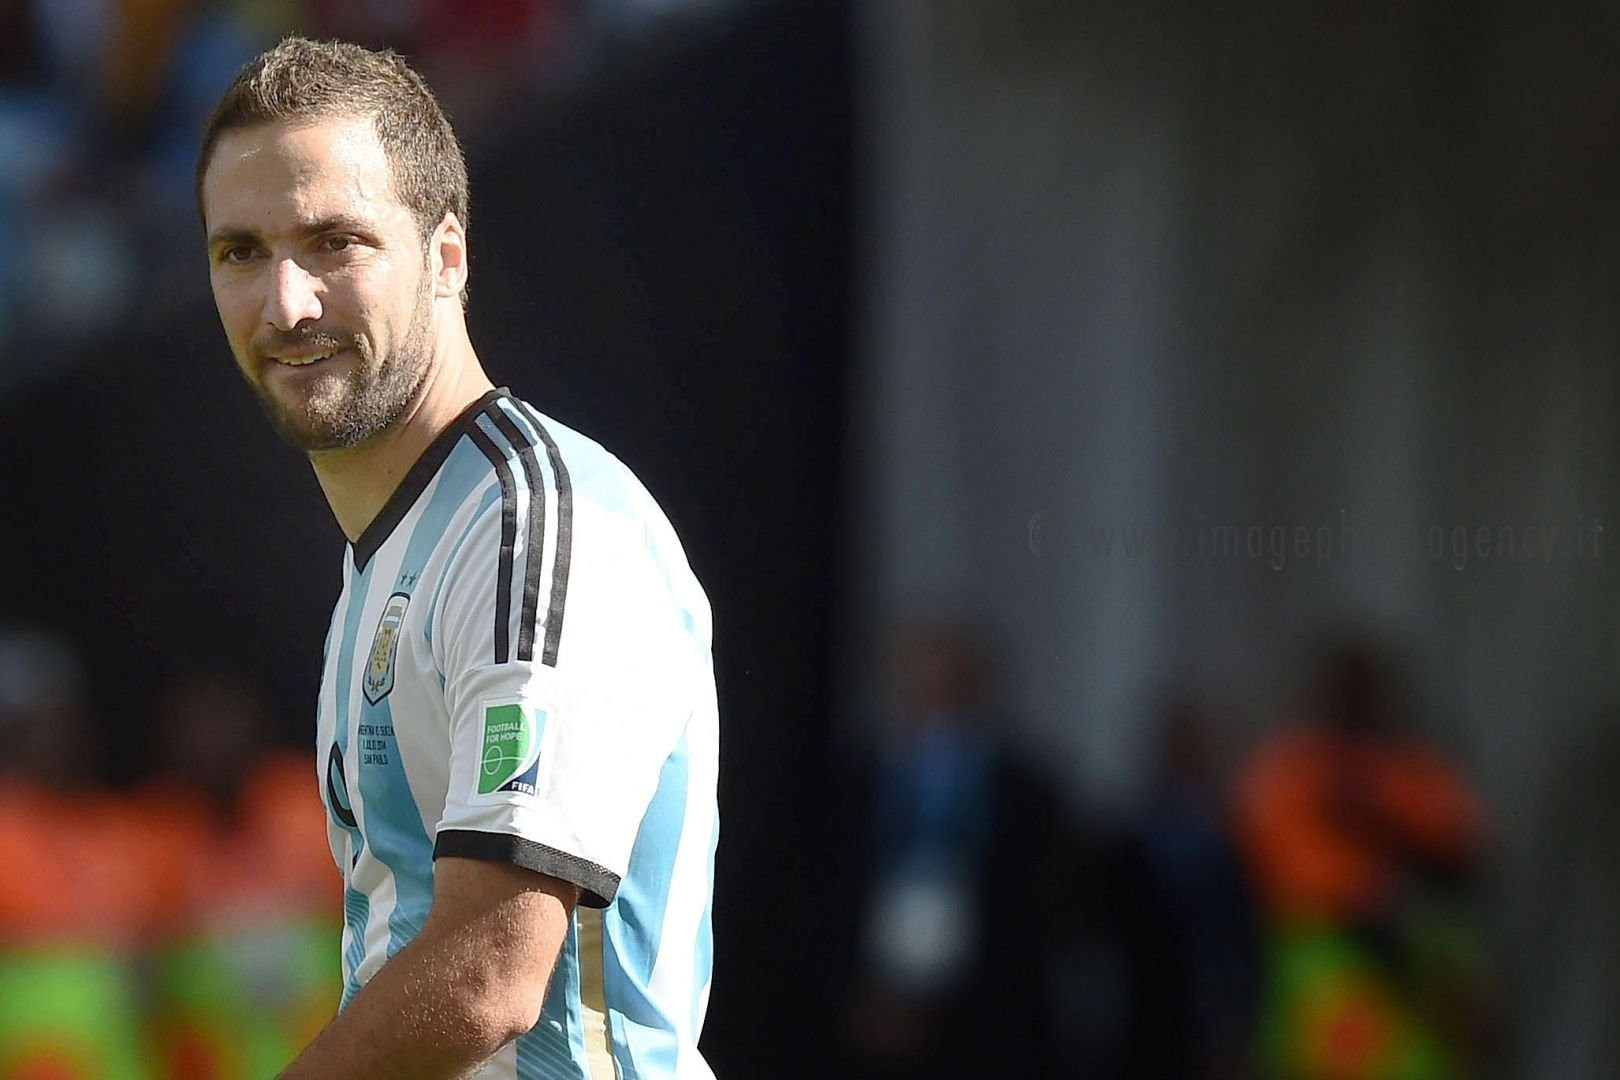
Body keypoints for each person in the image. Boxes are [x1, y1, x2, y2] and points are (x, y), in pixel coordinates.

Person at [195, 38, 719, 1079]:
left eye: (335, 241)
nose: (286, 303)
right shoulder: (398, 546)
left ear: (447, 257)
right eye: (241, 252)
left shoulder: (528, 525)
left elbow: (491, 974)